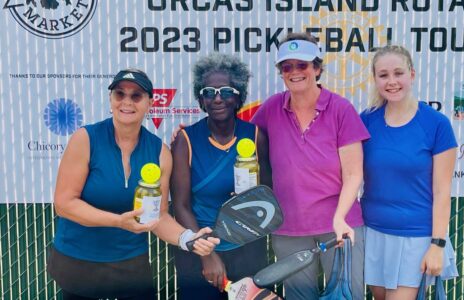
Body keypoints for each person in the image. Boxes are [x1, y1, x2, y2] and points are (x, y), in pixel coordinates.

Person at [47, 68, 219, 300]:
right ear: (111, 100)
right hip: (79, 262)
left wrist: (188, 238)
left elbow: (158, 216)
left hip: (130, 264)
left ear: (149, 102)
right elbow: (64, 204)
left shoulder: (159, 152)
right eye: (120, 94)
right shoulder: (86, 139)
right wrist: (118, 222)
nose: (127, 101)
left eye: (136, 95)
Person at [250, 32, 370, 300]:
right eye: (287, 66)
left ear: (317, 68)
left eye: (302, 65)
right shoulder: (271, 108)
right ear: (281, 72)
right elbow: (239, 140)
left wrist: (339, 218)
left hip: (339, 226)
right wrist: (192, 133)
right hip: (289, 228)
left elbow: (353, 174)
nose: (294, 72)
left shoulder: (341, 109)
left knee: (348, 295)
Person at [359, 45, 459, 300]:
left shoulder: (437, 124)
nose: (391, 81)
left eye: (398, 73)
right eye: (383, 75)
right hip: (373, 232)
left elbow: (442, 190)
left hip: (415, 237)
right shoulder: (366, 120)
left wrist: (437, 245)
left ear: (411, 75)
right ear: (375, 79)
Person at [170, 53, 271, 300]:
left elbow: (267, 194)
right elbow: (180, 205)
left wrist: (248, 203)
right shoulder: (186, 140)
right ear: (201, 100)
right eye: (208, 92)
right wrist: (206, 253)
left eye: (226, 91)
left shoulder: (256, 135)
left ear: (238, 97)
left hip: (246, 248)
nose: (217, 98)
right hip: (198, 247)